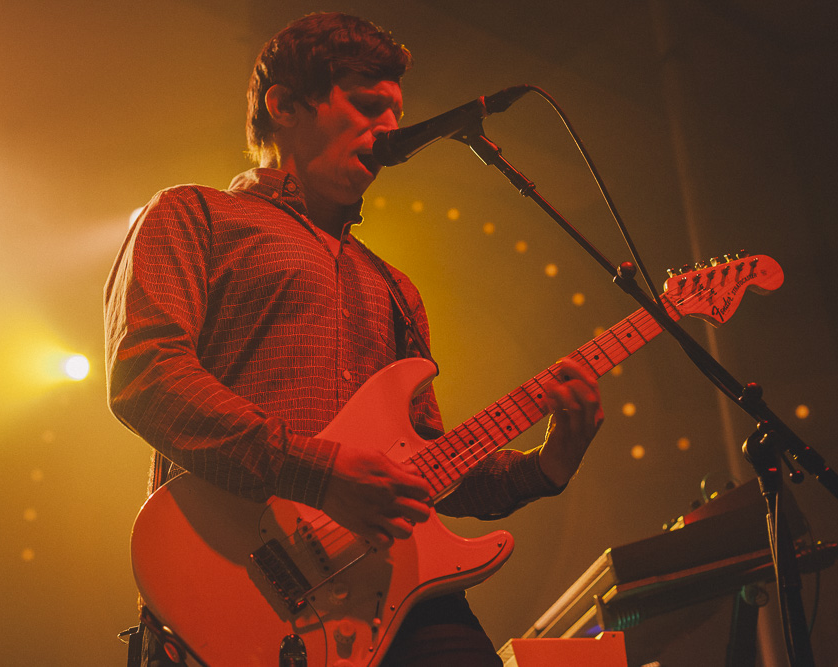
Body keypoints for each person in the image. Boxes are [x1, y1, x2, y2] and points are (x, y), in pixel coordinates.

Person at [104, 12, 603, 667]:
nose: (391, 129)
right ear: (284, 105)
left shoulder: (394, 286)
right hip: (238, 584)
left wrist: (545, 464)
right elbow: (148, 378)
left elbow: (425, 467)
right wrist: (319, 473)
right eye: (368, 106)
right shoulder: (193, 215)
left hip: (404, 600)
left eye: (395, 112)